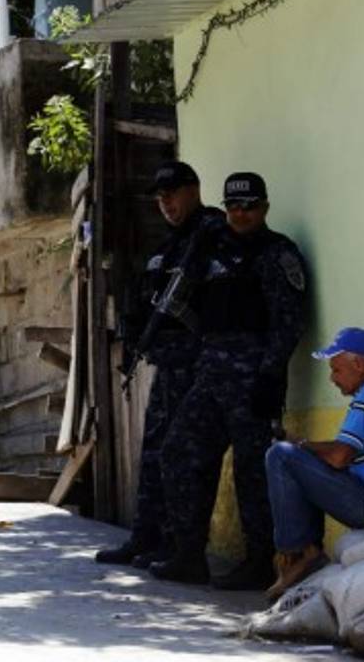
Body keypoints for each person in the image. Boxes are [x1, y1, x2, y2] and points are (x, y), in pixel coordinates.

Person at [153, 172, 307, 589]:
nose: (240, 214)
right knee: (179, 453)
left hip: (253, 379)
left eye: (249, 206)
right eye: (233, 207)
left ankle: (260, 561)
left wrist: (271, 376)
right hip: (210, 374)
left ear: (265, 208)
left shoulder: (278, 254)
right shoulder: (210, 253)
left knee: (253, 471)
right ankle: (189, 554)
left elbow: (288, 322)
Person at [96, 162, 224, 567]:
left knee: (184, 457)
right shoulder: (168, 247)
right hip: (169, 365)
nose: (165, 202)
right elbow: (142, 298)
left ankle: (181, 548)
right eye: (159, 196)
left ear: (194, 189)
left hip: (201, 366)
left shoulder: (213, 234)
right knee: (153, 454)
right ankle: (145, 537)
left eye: (172, 192)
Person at [263, 327, 364, 601]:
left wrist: (299, 447)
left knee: (280, 456)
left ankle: (298, 553)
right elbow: (343, 452)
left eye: (336, 370)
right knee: (297, 458)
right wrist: (305, 447)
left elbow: (339, 457)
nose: (332, 379)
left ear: (358, 364)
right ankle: (305, 553)